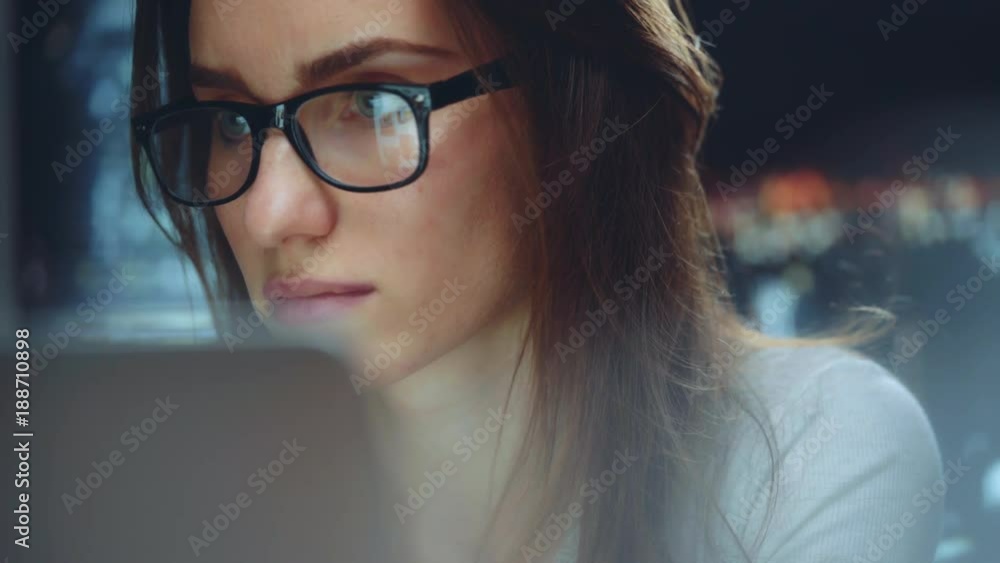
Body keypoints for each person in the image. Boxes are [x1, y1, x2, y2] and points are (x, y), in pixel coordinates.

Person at [128, 1, 944, 561]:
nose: (270, 213)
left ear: (572, 109)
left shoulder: (802, 452)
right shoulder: (176, 497)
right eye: (228, 120)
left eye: (372, 106)